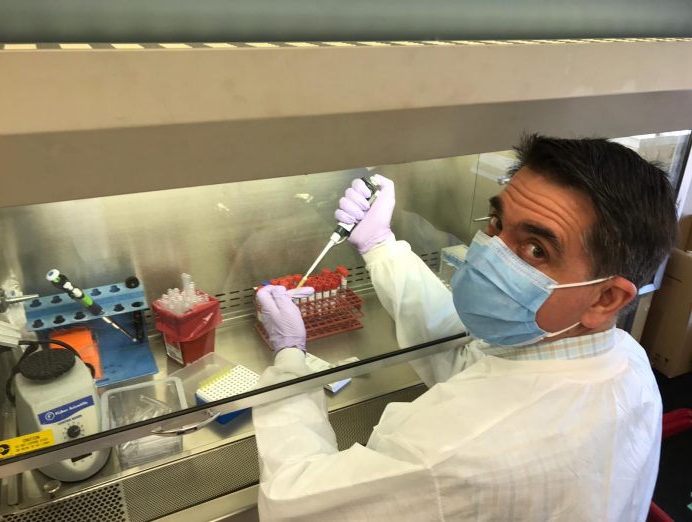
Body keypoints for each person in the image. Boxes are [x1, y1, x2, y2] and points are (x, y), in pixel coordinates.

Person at [252, 135, 679, 521]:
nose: (491, 254)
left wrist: (289, 359)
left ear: (606, 299)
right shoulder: (625, 359)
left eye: (536, 249)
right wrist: (380, 246)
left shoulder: (448, 457)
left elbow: (291, 501)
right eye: (497, 223)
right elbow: (467, 359)